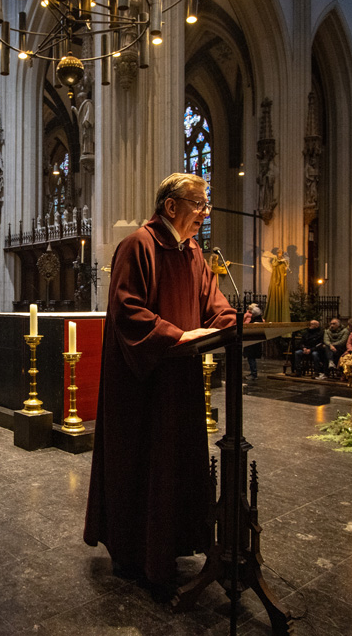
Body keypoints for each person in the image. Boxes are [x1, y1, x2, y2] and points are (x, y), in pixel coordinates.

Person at [83, 173, 236, 595]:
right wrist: (176, 335)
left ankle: (170, 545)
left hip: (180, 380)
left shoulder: (193, 252)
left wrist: (231, 322)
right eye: (198, 204)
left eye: (206, 205)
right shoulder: (138, 245)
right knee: (142, 463)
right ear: (171, 206)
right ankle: (134, 552)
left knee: (174, 464)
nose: (205, 213)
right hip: (142, 383)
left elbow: (213, 303)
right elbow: (127, 310)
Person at [243, 303, 264, 380]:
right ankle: (253, 373)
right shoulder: (259, 320)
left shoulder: (255, 321)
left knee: (251, 358)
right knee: (251, 358)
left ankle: (253, 374)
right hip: (254, 342)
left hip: (252, 342)